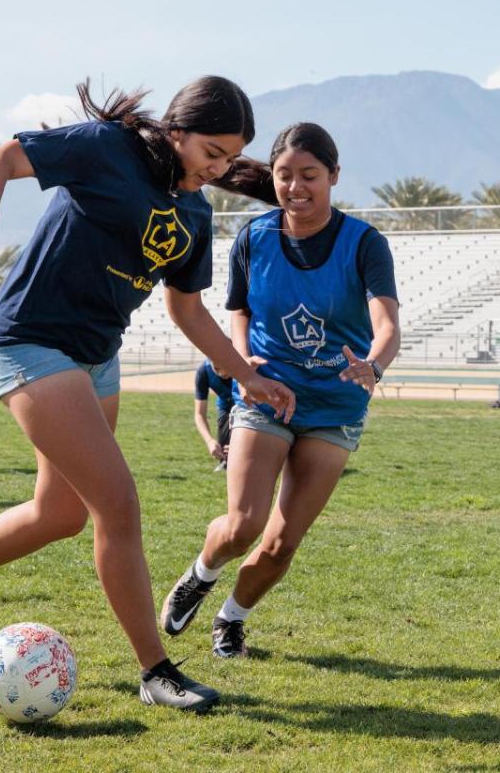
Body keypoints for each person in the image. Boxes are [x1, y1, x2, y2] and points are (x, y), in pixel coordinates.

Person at [0, 77, 295, 712]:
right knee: (118, 505)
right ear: (176, 131)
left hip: (96, 358)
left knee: (59, 514)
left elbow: (188, 311)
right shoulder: (108, 148)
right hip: (31, 340)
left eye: (229, 159)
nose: (218, 169)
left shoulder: (195, 212)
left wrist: (244, 374)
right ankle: (156, 671)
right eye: (211, 152)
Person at [160, 122, 400, 658]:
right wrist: (244, 360)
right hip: (268, 394)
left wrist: (373, 367)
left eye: (309, 175)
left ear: (334, 176)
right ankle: (200, 574)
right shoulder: (254, 236)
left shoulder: (364, 243)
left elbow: (387, 327)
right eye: (285, 175)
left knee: (279, 544)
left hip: (335, 404)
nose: (296, 187)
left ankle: (231, 620)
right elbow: (238, 310)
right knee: (242, 526)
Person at [194, 358, 233, 471]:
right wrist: (210, 441)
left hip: (246, 406)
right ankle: (225, 464)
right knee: (224, 452)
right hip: (225, 406)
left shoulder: (241, 366)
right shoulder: (203, 372)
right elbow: (199, 414)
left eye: (226, 367)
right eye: (217, 368)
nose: (223, 373)